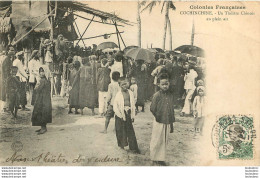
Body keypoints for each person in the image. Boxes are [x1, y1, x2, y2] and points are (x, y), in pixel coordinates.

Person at [150, 73, 174, 166]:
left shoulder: (170, 95)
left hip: (167, 121)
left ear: (169, 84)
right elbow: (152, 108)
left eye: (166, 84)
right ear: (159, 85)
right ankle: (154, 157)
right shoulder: (157, 95)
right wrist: (158, 116)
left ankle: (161, 158)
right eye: (163, 84)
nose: (165, 86)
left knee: (164, 140)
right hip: (158, 121)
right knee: (157, 139)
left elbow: (171, 109)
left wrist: (171, 123)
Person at [113, 77, 140, 153]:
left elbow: (132, 104)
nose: (125, 85)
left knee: (130, 130)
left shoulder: (130, 93)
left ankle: (133, 147)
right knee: (120, 130)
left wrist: (132, 115)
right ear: (119, 85)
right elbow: (115, 106)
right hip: (120, 115)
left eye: (126, 83)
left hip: (128, 113)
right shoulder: (118, 94)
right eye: (123, 84)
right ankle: (121, 145)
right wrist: (120, 115)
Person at [31, 67, 52, 135]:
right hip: (43, 99)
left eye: (43, 71)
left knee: (41, 112)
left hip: (43, 100)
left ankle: (43, 128)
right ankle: (43, 127)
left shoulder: (43, 80)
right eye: (40, 71)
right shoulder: (44, 80)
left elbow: (38, 89)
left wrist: (36, 87)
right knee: (41, 112)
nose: (41, 73)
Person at [1, 46, 15, 112]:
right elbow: (6, 71)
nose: (13, 52)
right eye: (11, 50)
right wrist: (7, 80)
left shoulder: (9, 59)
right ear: (7, 51)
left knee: (7, 93)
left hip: (7, 79)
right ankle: (5, 108)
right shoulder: (7, 60)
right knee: (6, 93)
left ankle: (6, 107)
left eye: (13, 50)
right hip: (6, 79)